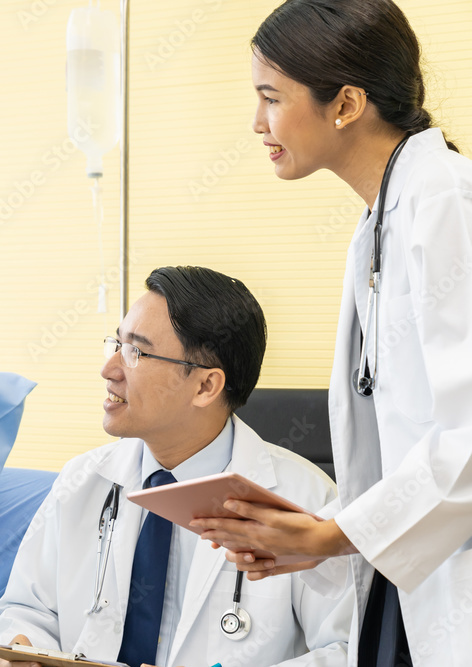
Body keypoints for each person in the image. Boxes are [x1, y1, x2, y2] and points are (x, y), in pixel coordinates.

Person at [191, 2, 472, 666]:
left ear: (345, 104)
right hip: (413, 578)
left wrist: (334, 534)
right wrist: (319, 533)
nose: (257, 122)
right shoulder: (378, 223)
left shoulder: (446, 200)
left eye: (271, 98)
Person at [0, 266, 352, 667]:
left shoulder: (310, 500)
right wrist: (14, 655)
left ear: (205, 386)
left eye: (136, 352)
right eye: (116, 344)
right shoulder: (81, 480)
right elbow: (25, 612)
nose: (109, 370)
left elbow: (348, 650)